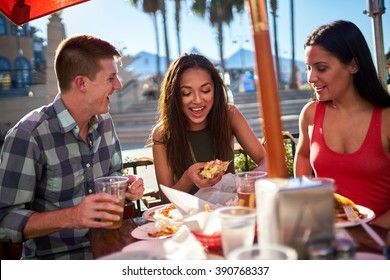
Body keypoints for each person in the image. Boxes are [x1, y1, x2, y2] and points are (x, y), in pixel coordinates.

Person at [0, 34, 145, 259]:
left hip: (110, 250)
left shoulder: (105, 122)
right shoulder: (28, 135)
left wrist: (125, 186)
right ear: (81, 83)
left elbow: (114, 173)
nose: (119, 85)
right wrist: (72, 216)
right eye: (111, 78)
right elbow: (5, 220)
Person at [294, 20, 390, 229]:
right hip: (327, 234)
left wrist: (369, 233)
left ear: (353, 65)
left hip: (381, 239)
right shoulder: (310, 113)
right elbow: (302, 155)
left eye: (321, 68)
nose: (311, 77)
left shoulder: (387, 119)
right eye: (308, 68)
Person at [151, 53, 267, 203]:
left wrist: (247, 180)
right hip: (189, 218)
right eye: (186, 93)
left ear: (215, 90)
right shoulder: (161, 134)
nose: (198, 100)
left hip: (229, 211)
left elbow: (265, 159)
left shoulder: (229, 115)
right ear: (173, 96)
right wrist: (187, 178)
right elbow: (166, 201)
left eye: (205, 90)